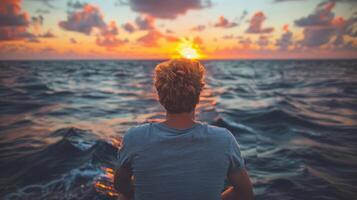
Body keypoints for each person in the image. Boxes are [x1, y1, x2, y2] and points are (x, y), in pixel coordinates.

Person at [114, 58, 253, 200]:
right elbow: (245, 193)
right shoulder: (223, 139)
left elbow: (120, 185)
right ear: (198, 94)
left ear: (160, 96)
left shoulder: (135, 137)